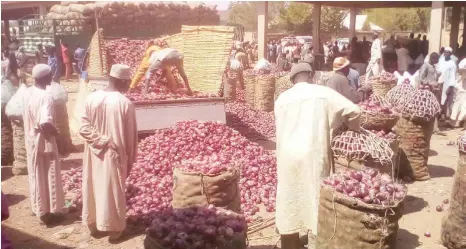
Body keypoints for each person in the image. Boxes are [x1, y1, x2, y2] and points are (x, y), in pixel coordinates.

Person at [275, 62, 361, 249]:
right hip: (312, 153)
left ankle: (290, 244)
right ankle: (316, 242)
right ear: (311, 75)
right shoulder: (323, 93)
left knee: (290, 198)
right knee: (314, 197)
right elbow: (354, 111)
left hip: (287, 155)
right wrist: (350, 129)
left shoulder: (282, 99)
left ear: (292, 80)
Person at [79, 64, 138, 241]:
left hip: (93, 152)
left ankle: (92, 224)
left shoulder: (91, 98)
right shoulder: (124, 103)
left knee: (92, 185)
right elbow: (130, 137)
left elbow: (82, 127)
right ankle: (113, 230)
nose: (128, 86)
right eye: (127, 82)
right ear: (121, 81)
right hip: (114, 152)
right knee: (112, 190)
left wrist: (97, 140)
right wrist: (128, 158)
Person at [23, 64, 65, 225]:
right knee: (48, 173)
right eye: (50, 75)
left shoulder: (28, 92)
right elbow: (45, 123)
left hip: (31, 138)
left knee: (35, 173)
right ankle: (47, 213)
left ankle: (38, 207)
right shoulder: (46, 97)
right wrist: (56, 133)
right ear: (45, 77)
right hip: (43, 140)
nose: (52, 77)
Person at [438, 47, 458, 118]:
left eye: (447, 52)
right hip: (438, 82)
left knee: (444, 99)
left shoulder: (452, 64)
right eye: (445, 52)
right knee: (438, 98)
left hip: (447, 83)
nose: (445, 53)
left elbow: (452, 76)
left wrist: (450, 86)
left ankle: (443, 114)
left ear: (450, 54)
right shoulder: (440, 60)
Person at [449, 58, 466, 128]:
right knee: (458, 105)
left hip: (463, 89)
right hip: (462, 89)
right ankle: (453, 123)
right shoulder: (464, 62)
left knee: (463, 107)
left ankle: (462, 123)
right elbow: (461, 73)